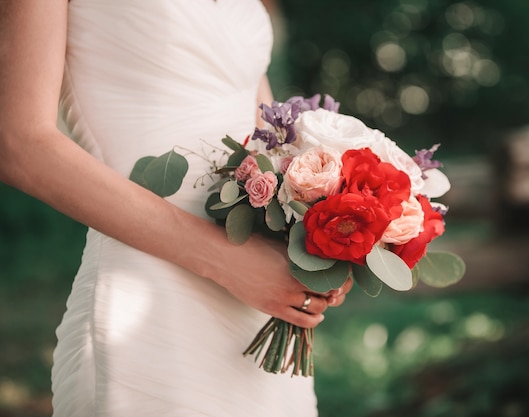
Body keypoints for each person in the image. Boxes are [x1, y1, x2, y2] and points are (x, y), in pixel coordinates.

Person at [0, 1, 353, 416]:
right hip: (152, 285)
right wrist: (227, 262)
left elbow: (266, 139)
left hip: (261, 290)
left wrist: (318, 240)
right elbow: (20, 143)